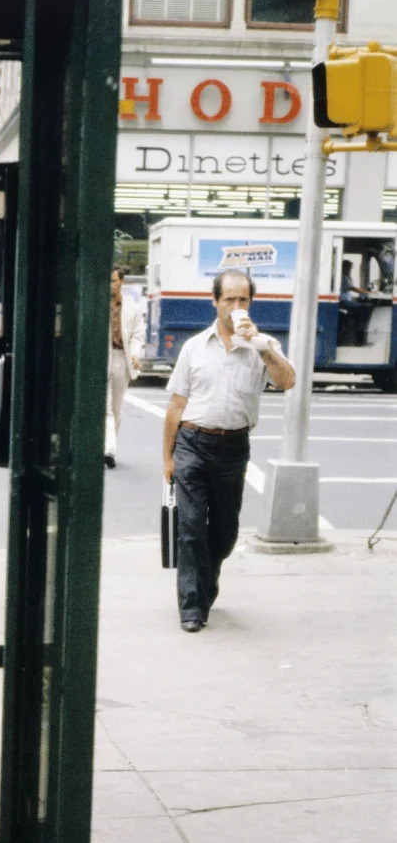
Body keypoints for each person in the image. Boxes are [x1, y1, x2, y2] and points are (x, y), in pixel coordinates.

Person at [162, 269, 295, 632]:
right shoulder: (194, 347)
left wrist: (262, 346)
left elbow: (288, 381)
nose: (237, 307)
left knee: (223, 533)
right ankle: (191, 607)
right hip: (193, 442)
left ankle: (207, 579)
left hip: (233, 447)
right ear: (215, 302)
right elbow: (176, 405)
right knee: (190, 528)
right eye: (229, 300)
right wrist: (168, 458)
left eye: (243, 300)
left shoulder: (263, 346)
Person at [104, 265, 145, 468]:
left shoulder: (132, 307)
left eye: (113, 280)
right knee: (106, 409)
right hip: (103, 358)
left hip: (122, 358)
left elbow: (137, 335)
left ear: (122, 282)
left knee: (116, 409)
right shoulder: (98, 304)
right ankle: (109, 449)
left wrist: (136, 354)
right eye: (108, 280)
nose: (110, 284)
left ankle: (110, 445)